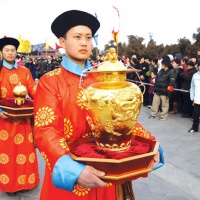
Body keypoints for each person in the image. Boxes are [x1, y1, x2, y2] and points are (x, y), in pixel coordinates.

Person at [34, 10, 164, 200]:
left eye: (88, 37)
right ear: (62, 42)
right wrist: (72, 170)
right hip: (74, 170)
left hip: (107, 169)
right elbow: (46, 130)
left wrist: (151, 143)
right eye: (77, 37)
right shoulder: (50, 81)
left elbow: (123, 120)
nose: (84, 42)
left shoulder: (102, 80)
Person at [0, 37, 40, 194]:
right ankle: (9, 185)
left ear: (16, 52)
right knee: (7, 153)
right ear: (2, 52)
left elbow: (34, 91)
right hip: (4, 122)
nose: (10, 53)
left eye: (12, 50)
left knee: (25, 151)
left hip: (23, 120)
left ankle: (27, 182)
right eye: (7, 50)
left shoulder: (25, 71)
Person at [188, 61, 200, 133]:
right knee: (195, 115)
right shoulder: (195, 75)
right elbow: (192, 87)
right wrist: (192, 98)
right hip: (197, 99)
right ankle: (194, 127)